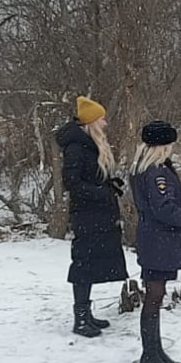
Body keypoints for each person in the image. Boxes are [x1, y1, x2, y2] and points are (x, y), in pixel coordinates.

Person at [130, 120, 181, 363]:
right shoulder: (156, 173)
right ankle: (150, 354)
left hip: (155, 239)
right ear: (162, 146)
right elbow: (163, 209)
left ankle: (154, 350)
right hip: (158, 240)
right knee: (154, 295)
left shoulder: (145, 169)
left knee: (155, 295)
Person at [57, 96, 127, 337]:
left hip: (99, 213)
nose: (106, 123)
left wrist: (109, 184)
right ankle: (81, 317)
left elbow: (91, 177)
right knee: (83, 263)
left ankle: (87, 313)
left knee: (93, 262)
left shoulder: (91, 144)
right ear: (91, 122)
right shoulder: (75, 147)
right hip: (86, 214)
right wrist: (101, 192)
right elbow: (72, 183)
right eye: (102, 119)